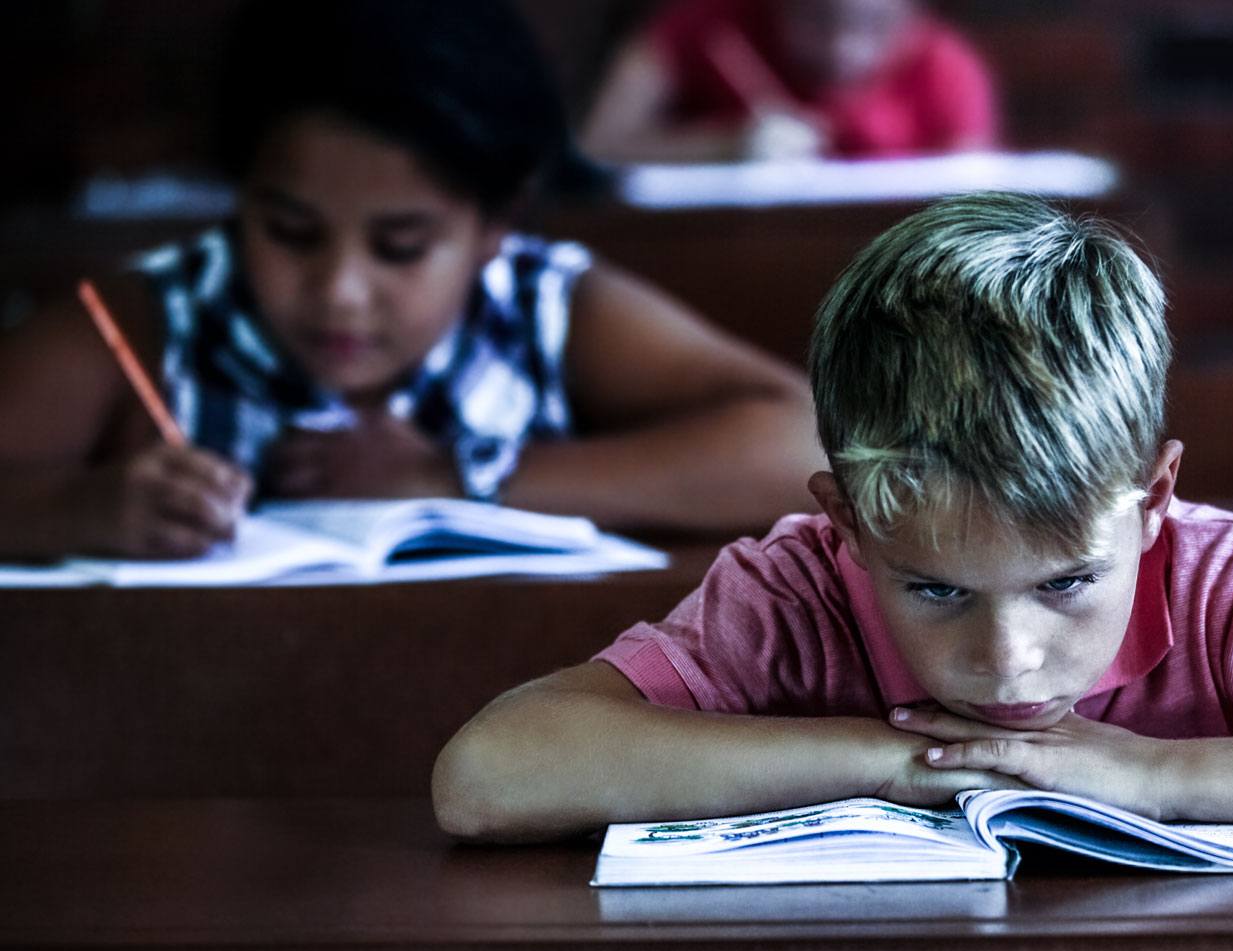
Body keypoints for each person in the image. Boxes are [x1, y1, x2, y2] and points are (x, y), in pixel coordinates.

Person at [432, 193, 1233, 843]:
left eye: (1064, 584)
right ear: (843, 520)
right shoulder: (794, 589)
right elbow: (488, 776)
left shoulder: (1227, 583)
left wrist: (1157, 780)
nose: (1007, 664)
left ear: (1151, 501)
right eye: (935, 590)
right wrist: (902, 766)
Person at [0, 0, 823, 561]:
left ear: (491, 229)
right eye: (290, 232)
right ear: (239, 195)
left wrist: (455, 479)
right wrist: (77, 508)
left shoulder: (541, 308)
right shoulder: (150, 319)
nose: (339, 292)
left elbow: (812, 448)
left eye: (401, 245)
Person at [580, 0, 998, 163]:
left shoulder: (946, 63)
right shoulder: (704, 27)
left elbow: (973, 193)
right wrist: (722, 147)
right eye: (817, 18)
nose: (843, 50)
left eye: (874, 25)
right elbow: (592, 147)